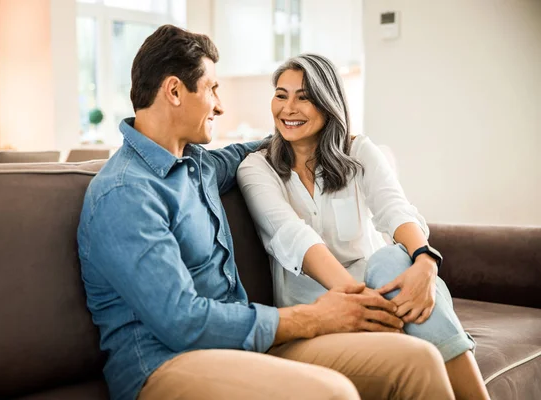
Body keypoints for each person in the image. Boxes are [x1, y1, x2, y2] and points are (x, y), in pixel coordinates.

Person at [78, 25, 456, 400]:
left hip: (242, 348)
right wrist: (314, 318)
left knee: (417, 360)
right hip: (165, 366)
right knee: (332, 394)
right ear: (175, 90)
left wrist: (329, 135)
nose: (220, 105)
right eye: (212, 88)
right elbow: (182, 321)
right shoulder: (126, 192)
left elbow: (265, 146)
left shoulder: (198, 166)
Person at [237, 53, 491, 400]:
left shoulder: (359, 151)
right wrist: (365, 303)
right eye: (281, 95)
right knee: (403, 293)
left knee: (391, 260)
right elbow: (295, 238)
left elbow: (395, 209)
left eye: (304, 96)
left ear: (328, 104)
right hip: (320, 308)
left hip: (382, 292)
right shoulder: (257, 168)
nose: (288, 108)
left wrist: (426, 263)